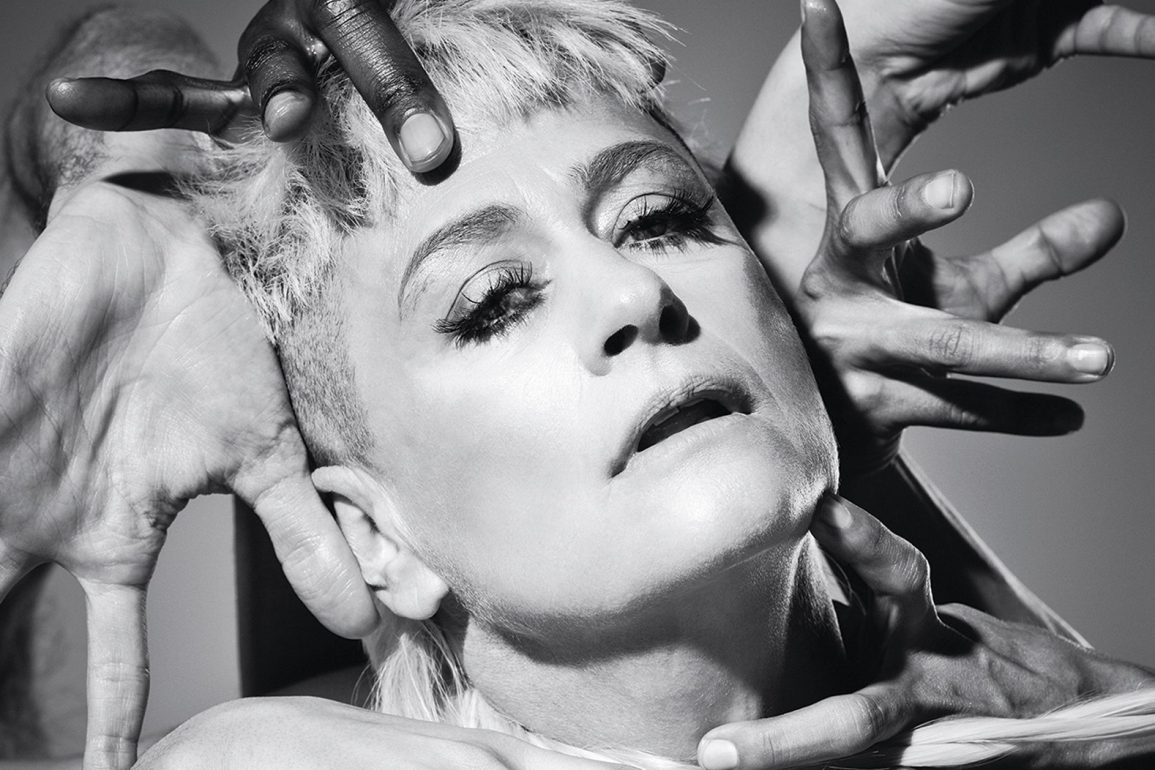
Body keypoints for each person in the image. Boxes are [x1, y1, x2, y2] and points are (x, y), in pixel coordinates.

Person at [2, 0, 1154, 767]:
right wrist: (118, 136)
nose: (633, 294)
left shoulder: (1051, 708)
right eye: (493, 300)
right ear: (373, 540)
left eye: (660, 220)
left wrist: (1108, 710)